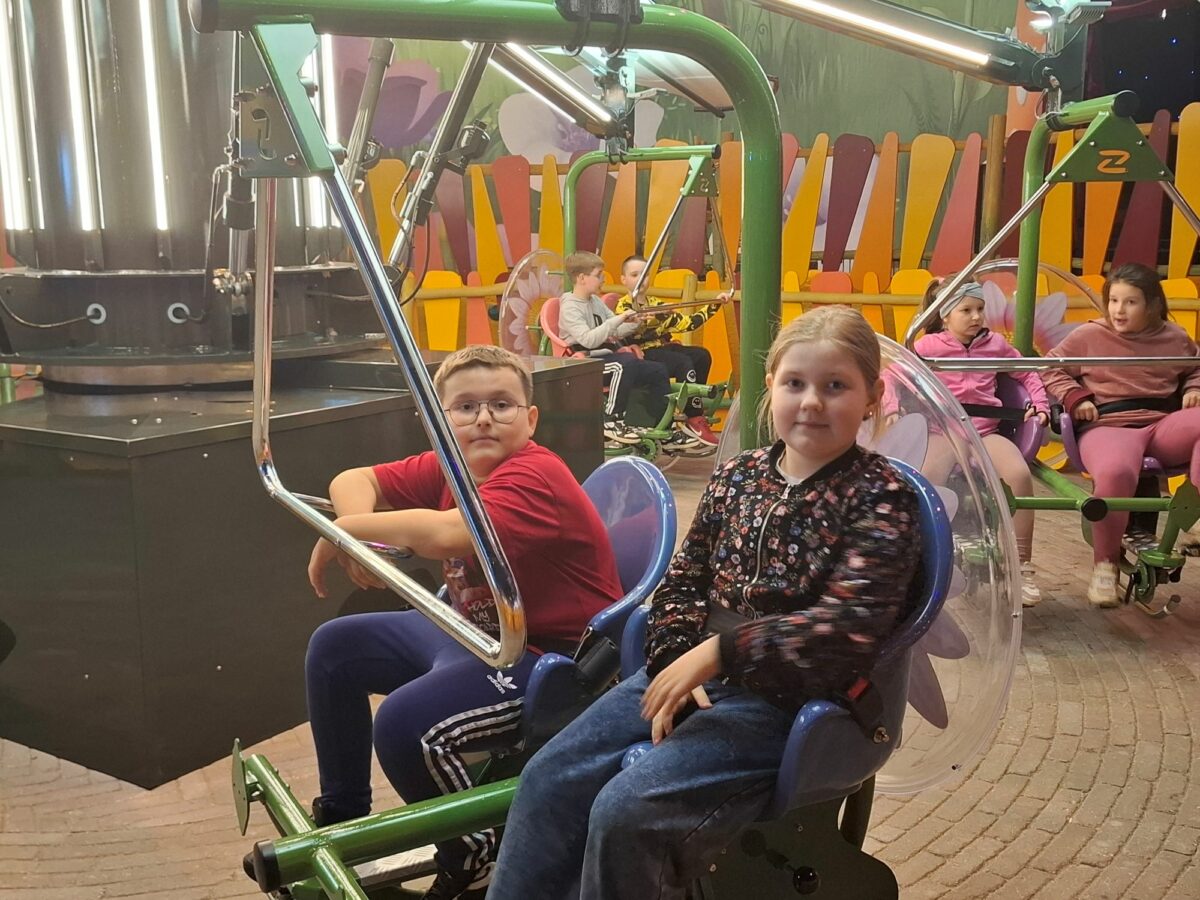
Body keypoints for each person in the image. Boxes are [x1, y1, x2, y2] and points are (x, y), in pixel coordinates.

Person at [488, 306, 923, 900]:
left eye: (835, 386)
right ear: (770, 386)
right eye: (795, 383)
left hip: (788, 701)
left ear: (871, 396)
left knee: (627, 813)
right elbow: (683, 580)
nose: (811, 403)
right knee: (548, 777)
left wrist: (718, 653)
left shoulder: (881, 495)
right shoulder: (739, 475)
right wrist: (675, 657)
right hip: (691, 671)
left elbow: (847, 627)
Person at [302, 346, 624, 900]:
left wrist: (348, 531)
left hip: (548, 657)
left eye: (502, 404)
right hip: (476, 633)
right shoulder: (452, 462)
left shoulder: (535, 473)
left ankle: (476, 862)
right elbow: (355, 478)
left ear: (530, 418)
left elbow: (449, 532)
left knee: (407, 727)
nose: (483, 419)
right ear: (439, 420)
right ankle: (343, 820)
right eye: (465, 407)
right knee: (334, 648)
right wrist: (359, 529)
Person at [1041, 262, 1200, 607]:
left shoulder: (1175, 337)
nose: (1119, 310)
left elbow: (1195, 368)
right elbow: (1049, 367)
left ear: (1153, 305)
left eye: (1130, 302)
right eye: (1113, 301)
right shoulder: (1089, 335)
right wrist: (1075, 396)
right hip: (1109, 423)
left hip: (1161, 423)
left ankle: (1197, 517)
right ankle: (1105, 566)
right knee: (1116, 471)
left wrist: (1194, 388)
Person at [904, 279, 1051, 607]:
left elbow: (1026, 372)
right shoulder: (928, 347)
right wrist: (892, 406)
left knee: (1019, 475)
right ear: (945, 315)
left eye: (980, 309)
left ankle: (1021, 566)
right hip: (945, 431)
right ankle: (921, 559)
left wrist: (1040, 405)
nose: (976, 317)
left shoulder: (995, 345)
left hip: (985, 431)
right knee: (928, 479)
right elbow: (896, 375)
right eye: (966, 310)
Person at [614, 254, 730, 447]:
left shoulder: (656, 303)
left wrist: (714, 305)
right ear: (623, 279)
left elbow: (688, 323)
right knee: (682, 363)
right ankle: (693, 416)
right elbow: (632, 329)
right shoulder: (624, 305)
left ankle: (693, 405)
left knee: (701, 355)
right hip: (641, 353)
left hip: (662, 348)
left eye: (645, 274)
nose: (641, 280)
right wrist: (658, 317)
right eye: (635, 275)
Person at [557, 251, 671, 443]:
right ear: (582, 278)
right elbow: (588, 340)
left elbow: (616, 331)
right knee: (624, 364)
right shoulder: (570, 307)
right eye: (599, 275)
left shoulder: (595, 301)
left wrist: (637, 321)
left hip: (604, 356)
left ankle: (658, 425)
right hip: (582, 363)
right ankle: (610, 419)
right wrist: (619, 318)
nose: (603, 279)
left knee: (657, 370)